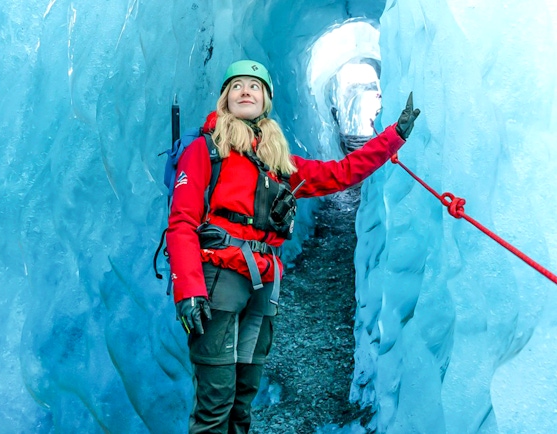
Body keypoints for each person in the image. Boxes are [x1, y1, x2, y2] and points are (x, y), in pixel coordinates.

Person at [166, 60, 420, 434]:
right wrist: (188, 291)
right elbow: (182, 222)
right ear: (225, 99)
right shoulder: (207, 151)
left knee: (242, 398)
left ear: (266, 100)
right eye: (236, 86)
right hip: (219, 280)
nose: (245, 91)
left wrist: (393, 137)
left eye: (254, 86)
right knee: (215, 401)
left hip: (263, 285)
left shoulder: (277, 162)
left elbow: (340, 173)